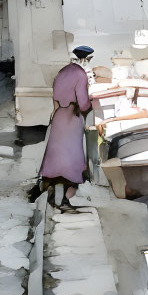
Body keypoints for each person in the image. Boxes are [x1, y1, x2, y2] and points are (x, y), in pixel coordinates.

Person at [36, 46, 94, 211]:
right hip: (72, 118)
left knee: (56, 155)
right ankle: (65, 198)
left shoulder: (62, 72)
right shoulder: (80, 74)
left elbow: (55, 97)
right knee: (71, 157)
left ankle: (55, 192)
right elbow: (83, 103)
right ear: (86, 59)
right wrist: (92, 103)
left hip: (59, 116)